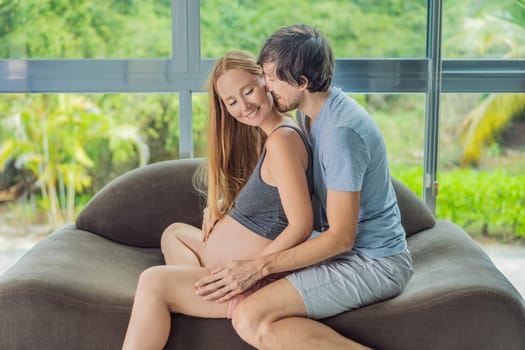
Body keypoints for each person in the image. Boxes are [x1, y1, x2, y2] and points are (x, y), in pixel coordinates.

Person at [194, 24, 414, 350]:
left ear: (301, 82)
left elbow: (341, 237)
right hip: (350, 253)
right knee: (249, 312)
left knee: (249, 316)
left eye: (271, 78)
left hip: (374, 263)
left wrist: (257, 268)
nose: (266, 87)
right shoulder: (312, 117)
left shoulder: (340, 133)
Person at [121, 50, 315, 349]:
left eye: (248, 91)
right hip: (235, 267)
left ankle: (185, 293)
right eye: (232, 101)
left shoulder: (283, 141)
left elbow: (301, 225)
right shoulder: (274, 135)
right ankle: (193, 287)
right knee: (175, 233)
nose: (244, 106)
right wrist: (220, 210)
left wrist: (251, 270)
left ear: (266, 81)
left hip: (254, 280)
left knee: (153, 281)